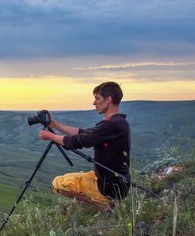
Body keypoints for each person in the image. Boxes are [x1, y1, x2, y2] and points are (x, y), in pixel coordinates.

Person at [38, 81, 131, 210]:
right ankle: (102, 203)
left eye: (97, 99)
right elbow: (85, 134)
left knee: (58, 183)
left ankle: (105, 206)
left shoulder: (112, 124)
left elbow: (79, 140)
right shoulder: (117, 122)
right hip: (112, 181)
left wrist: (51, 136)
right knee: (66, 178)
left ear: (108, 99)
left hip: (109, 187)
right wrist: (55, 124)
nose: (94, 103)